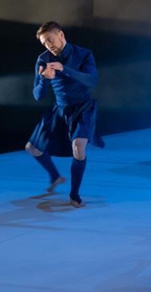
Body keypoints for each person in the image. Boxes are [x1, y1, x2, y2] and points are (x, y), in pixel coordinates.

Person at [26, 22, 104, 208]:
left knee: (78, 147)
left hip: (83, 107)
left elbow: (92, 81)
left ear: (61, 35)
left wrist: (64, 69)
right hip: (60, 109)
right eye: (44, 43)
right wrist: (45, 80)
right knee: (32, 148)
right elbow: (38, 95)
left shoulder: (83, 54)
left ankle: (74, 195)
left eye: (50, 40)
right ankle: (55, 176)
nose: (48, 45)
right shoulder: (43, 59)